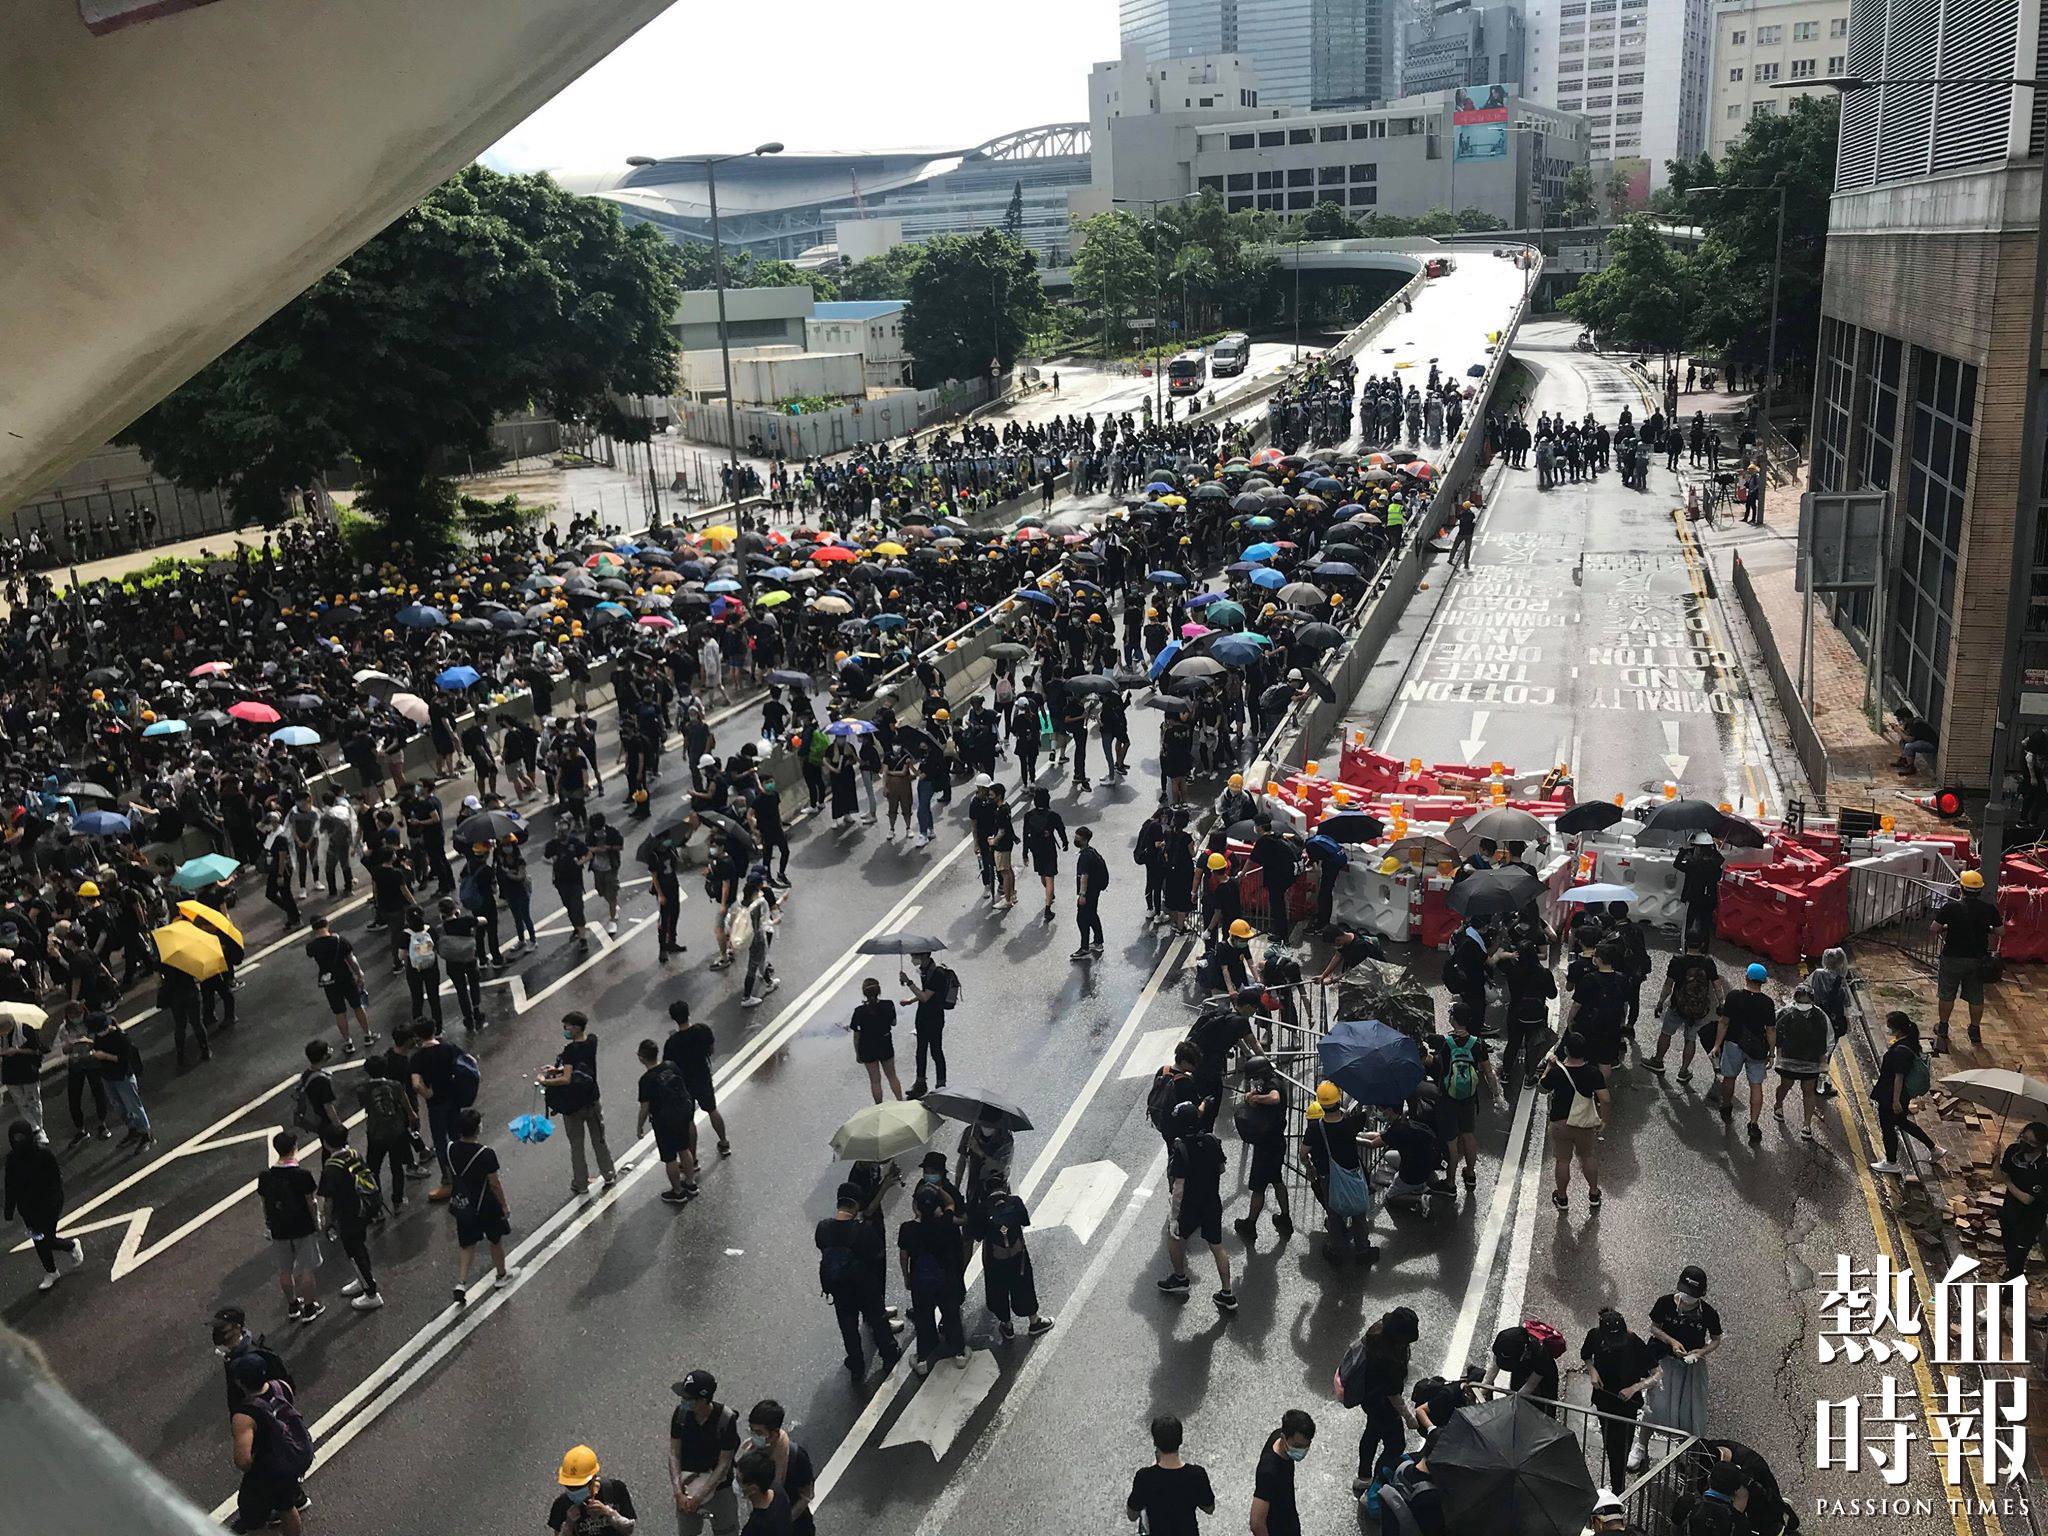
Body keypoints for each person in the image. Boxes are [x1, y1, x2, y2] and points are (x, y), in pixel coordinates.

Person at [1158, 1099, 1237, 1314]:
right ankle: (1227, 1293)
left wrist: (1174, 1217)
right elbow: (1221, 1168)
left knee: (1174, 1238)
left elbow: (1178, 1188)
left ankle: (1180, 1278)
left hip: (1189, 1205)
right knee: (1217, 1246)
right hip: (1212, 1201)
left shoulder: (1180, 1148)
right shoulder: (1211, 1140)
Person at [817, 1180, 902, 1376]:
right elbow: (878, 1254)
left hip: (839, 1288)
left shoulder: (823, 1228)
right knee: (878, 1321)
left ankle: (856, 1364)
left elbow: (822, 1247)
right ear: (856, 1205)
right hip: (865, 1287)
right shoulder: (862, 1230)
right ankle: (889, 1355)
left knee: (848, 1327)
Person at [225, 1352, 312, 1536]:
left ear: (240, 1382)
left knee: (252, 1519)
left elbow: (243, 1461)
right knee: (285, 1505)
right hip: (289, 1461)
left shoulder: (244, 1416)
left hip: (267, 1471)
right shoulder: (282, 1386)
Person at [1639, 1265, 1721, 1457]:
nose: (1687, 1298)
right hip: (1664, 1361)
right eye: (1685, 1293)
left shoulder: (1709, 1313)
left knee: (1689, 1411)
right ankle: (1641, 1446)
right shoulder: (1664, 1303)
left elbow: (1716, 1339)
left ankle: (1684, 1451)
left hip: (1691, 1366)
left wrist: (1701, 1352)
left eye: (1692, 1295)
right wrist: (1672, 1342)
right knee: (1655, 1405)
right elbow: (1654, 1328)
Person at [1342, 1306, 1420, 1500]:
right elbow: (1394, 1395)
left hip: (1369, 1399)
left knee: (1371, 1434)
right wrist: (1409, 1418)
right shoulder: (1390, 1360)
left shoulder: (1377, 1333)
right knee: (1396, 1445)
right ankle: (1378, 1480)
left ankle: (1364, 1476)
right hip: (1385, 1407)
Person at [1581, 1306, 1660, 1494]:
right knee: (1611, 1445)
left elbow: (1657, 1374)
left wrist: (1634, 1388)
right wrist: (1592, 1371)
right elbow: (1586, 1356)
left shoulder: (1633, 1342)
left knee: (1621, 1447)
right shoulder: (1594, 1335)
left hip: (1627, 1405)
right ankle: (1617, 1483)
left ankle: (1618, 1488)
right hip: (1604, 1400)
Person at [539, 1010, 619, 1197]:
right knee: (599, 1139)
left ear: (575, 1027)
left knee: (577, 1146)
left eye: (567, 1026)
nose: (565, 1030)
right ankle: (609, 1173)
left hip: (573, 1106)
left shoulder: (570, 1051)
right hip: (592, 1100)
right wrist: (559, 1069)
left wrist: (545, 1081)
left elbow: (566, 1079)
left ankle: (581, 1183)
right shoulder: (592, 1041)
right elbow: (577, 1067)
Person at [899, 1179, 969, 1373]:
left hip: (920, 1281)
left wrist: (906, 1277)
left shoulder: (907, 1229)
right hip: (945, 1278)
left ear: (916, 1206)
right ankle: (960, 1353)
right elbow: (950, 1203)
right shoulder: (945, 1222)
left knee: (923, 1319)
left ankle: (922, 1359)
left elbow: (904, 1256)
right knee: (951, 1315)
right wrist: (938, 1189)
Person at [976, 1169, 1054, 1338]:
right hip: (1018, 1258)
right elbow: (1026, 1221)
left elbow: (977, 1235)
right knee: (1024, 1286)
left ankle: (1007, 1326)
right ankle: (1034, 1322)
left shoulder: (982, 1209)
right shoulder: (1015, 1202)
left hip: (995, 1260)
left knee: (998, 1290)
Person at [5, 1119, 81, 1292]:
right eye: (15, 1138)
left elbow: (55, 1181)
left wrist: (53, 1203)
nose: (18, 1142)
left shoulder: (43, 1155)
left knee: (47, 1240)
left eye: (21, 1137)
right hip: (28, 1209)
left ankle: (70, 1246)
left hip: (48, 1205)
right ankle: (51, 1271)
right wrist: (9, 1210)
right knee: (39, 1241)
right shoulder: (12, 1160)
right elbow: (10, 1186)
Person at [448, 1106, 515, 1304]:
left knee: (467, 1244)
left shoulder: (451, 1149)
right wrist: (504, 1205)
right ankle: (501, 1274)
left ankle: (461, 1282)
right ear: (478, 1128)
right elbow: (494, 1183)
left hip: (464, 1203)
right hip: (485, 1203)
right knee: (495, 1239)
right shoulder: (486, 1153)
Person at [257, 1130, 323, 1324]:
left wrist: (269, 1223)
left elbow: (264, 1203)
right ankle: (310, 1308)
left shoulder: (266, 1177)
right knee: (307, 1268)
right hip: (302, 1226)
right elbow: (311, 1202)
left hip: (279, 1228)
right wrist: (317, 1221)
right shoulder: (302, 1175)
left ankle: (293, 1305)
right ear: (294, 1148)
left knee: (285, 1270)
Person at [1933, 869, 2002, 1051]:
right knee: (1976, 996)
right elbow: (2001, 931)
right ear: (1980, 890)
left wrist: (1948, 926)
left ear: (1961, 888)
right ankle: (1974, 1030)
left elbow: (1934, 928)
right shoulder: (1988, 909)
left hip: (1952, 958)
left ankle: (1943, 1027)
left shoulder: (1950, 907)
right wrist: (1987, 929)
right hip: (1977, 960)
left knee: (1946, 994)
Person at [1541, 1030, 1609, 1212]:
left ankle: (1562, 1197)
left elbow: (1542, 1088)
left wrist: (1549, 1066)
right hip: (1583, 1123)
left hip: (1560, 1123)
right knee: (1587, 1157)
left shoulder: (1557, 1072)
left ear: (1566, 1050)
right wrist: (1604, 1120)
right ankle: (1593, 1194)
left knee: (1563, 1161)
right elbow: (1605, 1099)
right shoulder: (1593, 1072)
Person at [1709, 962, 1777, 1143]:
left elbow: (1724, 1022)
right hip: (1757, 1049)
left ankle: (1726, 1106)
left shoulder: (1734, 996)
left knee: (1729, 1078)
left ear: (1746, 977)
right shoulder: (1767, 1003)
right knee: (1756, 1086)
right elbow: (1771, 1030)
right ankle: (1753, 1124)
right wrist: (1771, 1053)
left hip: (1733, 1043)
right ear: (1763, 982)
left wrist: (1716, 1045)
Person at [1232, 1059, 1293, 1242]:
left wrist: (1256, 1099)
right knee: (1277, 1180)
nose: (1254, 1081)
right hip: (1276, 1143)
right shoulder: (1270, 1081)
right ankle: (1285, 1218)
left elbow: (1274, 1098)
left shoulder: (1273, 1085)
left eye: (1255, 1077)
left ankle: (1250, 1225)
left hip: (1267, 1145)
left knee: (1258, 1188)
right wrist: (1252, 1095)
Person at [1869, 1010, 1936, 1175]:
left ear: (1898, 1029)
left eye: (1889, 1026)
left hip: (1892, 1094)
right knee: (1902, 1122)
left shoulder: (1901, 1051)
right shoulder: (1909, 1043)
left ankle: (1891, 1162)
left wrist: (1895, 1101)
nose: (1887, 1029)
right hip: (1900, 1094)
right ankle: (1934, 1148)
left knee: (1888, 1128)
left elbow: (1898, 1077)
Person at [1127, 1414, 1217, 1535]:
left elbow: (1132, 1515)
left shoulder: (1145, 1477)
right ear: (1180, 1440)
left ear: (1155, 1442)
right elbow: (1209, 1508)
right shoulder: (1196, 1475)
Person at [664, 1001, 732, 1158]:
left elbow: (669, 1066)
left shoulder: (672, 1042)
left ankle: (693, 1158)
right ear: (688, 1013)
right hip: (702, 1077)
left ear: (674, 1019)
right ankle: (724, 1142)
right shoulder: (702, 1030)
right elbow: (711, 1050)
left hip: (685, 1085)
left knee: (689, 1121)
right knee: (712, 1110)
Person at [1645, 937, 1718, 1082]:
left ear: (1686, 943)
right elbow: (1717, 985)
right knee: (1690, 1039)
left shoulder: (1678, 961)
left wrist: (1660, 1002)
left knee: (1666, 1033)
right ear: (1702, 945)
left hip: (1678, 1006)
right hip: (1699, 1009)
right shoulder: (1708, 962)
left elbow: (1668, 984)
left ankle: (1658, 1061)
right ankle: (1683, 1071)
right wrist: (1721, 1003)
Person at [636, 1039, 700, 1204]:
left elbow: (645, 1107)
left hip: (664, 1120)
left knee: (669, 1157)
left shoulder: (646, 1080)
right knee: (684, 1148)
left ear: (641, 1057)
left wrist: (639, 1126)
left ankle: (678, 1192)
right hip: (682, 1112)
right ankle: (691, 1183)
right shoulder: (671, 1065)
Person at [303, 914, 374, 1055]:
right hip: (345, 977)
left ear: (313, 929)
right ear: (327, 924)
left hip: (329, 981)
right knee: (357, 1006)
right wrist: (359, 974)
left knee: (339, 1012)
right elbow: (351, 959)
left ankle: (348, 1042)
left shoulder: (312, 946)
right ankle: (367, 1035)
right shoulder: (339, 940)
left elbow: (311, 954)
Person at [743, 1401, 815, 1536]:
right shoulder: (751, 1452)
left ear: (774, 1434)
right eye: (751, 1430)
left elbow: (806, 1495)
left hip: (795, 1527)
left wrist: (783, 1521)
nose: (753, 1437)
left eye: (758, 1433)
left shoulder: (795, 1457)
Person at [1771, 982, 1832, 1141]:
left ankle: (1806, 1124)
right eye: (1801, 1000)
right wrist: (1777, 1054)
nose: (1803, 1004)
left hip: (1810, 1061)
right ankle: (1778, 1105)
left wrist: (1823, 1063)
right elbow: (1776, 1034)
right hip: (1790, 1059)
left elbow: (1823, 1042)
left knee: (1808, 1090)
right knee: (1786, 1085)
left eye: (1806, 1000)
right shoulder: (1786, 1013)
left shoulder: (1819, 1016)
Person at [1249, 1410, 1316, 1536]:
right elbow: (1256, 1523)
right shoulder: (1269, 1472)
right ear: (1283, 1438)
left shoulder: (1279, 1437)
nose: (1302, 1451)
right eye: (1297, 1446)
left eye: (1306, 1446)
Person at [899, 951, 955, 1098]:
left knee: (936, 1051)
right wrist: (910, 1001)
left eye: (915, 956)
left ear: (924, 956)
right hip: (923, 1016)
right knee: (921, 1051)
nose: (913, 959)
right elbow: (924, 992)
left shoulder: (937, 974)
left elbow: (925, 997)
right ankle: (920, 1083)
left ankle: (941, 1085)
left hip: (934, 1017)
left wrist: (909, 982)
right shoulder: (925, 970)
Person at [550, 1444, 638, 1536]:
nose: (573, 1491)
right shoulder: (561, 1504)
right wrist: (569, 1524)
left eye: (579, 1486)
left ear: (593, 1478)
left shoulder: (615, 1490)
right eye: (569, 1486)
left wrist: (609, 1513)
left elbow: (629, 1529)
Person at [1999, 1121, 2048, 1279]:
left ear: (2041, 1145)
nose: (2026, 1143)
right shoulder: (2014, 1151)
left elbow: (2027, 1199)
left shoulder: (2044, 1168)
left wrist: (2008, 1183)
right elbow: (1998, 1176)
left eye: (2031, 1142)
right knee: (2009, 1251)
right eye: (2024, 1138)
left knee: (2017, 1259)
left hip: (2028, 1222)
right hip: (2009, 1213)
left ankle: (2013, 1287)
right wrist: (1995, 1160)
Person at [849, 976, 904, 1104]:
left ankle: (879, 1106)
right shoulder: (888, 1005)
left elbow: (856, 1035)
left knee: (875, 1080)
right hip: (885, 1044)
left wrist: (858, 1054)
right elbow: (894, 1023)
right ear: (879, 991)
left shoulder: (859, 1011)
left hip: (867, 1047)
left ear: (864, 993)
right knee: (892, 1075)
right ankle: (900, 1101)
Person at [1072, 824, 1110, 960]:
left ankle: (1084, 948)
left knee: (1082, 919)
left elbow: (1084, 876)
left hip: (1088, 892)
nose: (1075, 839)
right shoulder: (1092, 852)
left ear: (1085, 840)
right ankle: (1098, 942)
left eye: (1078, 838)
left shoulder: (1085, 856)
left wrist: (1082, 895)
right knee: (1092, 915)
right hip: (1095, 890)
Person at [735, 1449, 791, 1536]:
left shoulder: (757, 1526)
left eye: (738, 1479)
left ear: (753, 1488)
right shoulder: (778, 1491)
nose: (735, 1482)